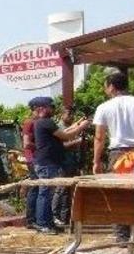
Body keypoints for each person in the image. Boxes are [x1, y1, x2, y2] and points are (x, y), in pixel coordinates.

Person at [31, 96, 90, 235]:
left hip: (47, 163)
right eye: (50, 106)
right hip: (46, 163)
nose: (53, 109)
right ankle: (43, 224)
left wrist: (77, 124)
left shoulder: (45, 123)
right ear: (42, 108)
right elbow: (66, 136)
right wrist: (81, 127)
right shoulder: (46, 122)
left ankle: (48, 223)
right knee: (45, 194)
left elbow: (65, 132)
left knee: (47, 194)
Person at [92, 70, 134, 243]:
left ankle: (122, 236)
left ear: (111, 86)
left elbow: (99, 137)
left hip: (119, 154)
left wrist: (96, 161)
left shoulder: (104, 107)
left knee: (118, 194)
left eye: (105, 86)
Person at [53, 107, 83, 225]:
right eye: (69, 114)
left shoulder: (72, 128)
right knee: (60, 190)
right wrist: (75, 142)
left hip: (72, 162)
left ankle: (65, 217)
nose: (71, 117)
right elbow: (60, 146)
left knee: (70, 190)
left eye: (73, 114)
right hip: (63, 162)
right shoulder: (59, 128)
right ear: (62, 115)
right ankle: (55, 215)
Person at [22, 103, 41, 229]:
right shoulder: (30, 123)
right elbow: (27, 143)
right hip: (32, 159)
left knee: (40, 189)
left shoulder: (38, 123)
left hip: (37, 159)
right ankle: (31, 219)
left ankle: (35, 218)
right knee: (35, 189)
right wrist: (42, 147)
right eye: (39, 109)